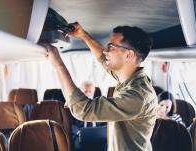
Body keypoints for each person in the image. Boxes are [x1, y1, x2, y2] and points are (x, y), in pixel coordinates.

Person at [45, 22, 157, 151]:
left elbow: (85, 110)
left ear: (129, 55)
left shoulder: (138, 96)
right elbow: (103, 58)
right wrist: (83, 35)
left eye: (111, 46)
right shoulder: (130, 79)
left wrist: (58, 64)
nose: (105, 50)